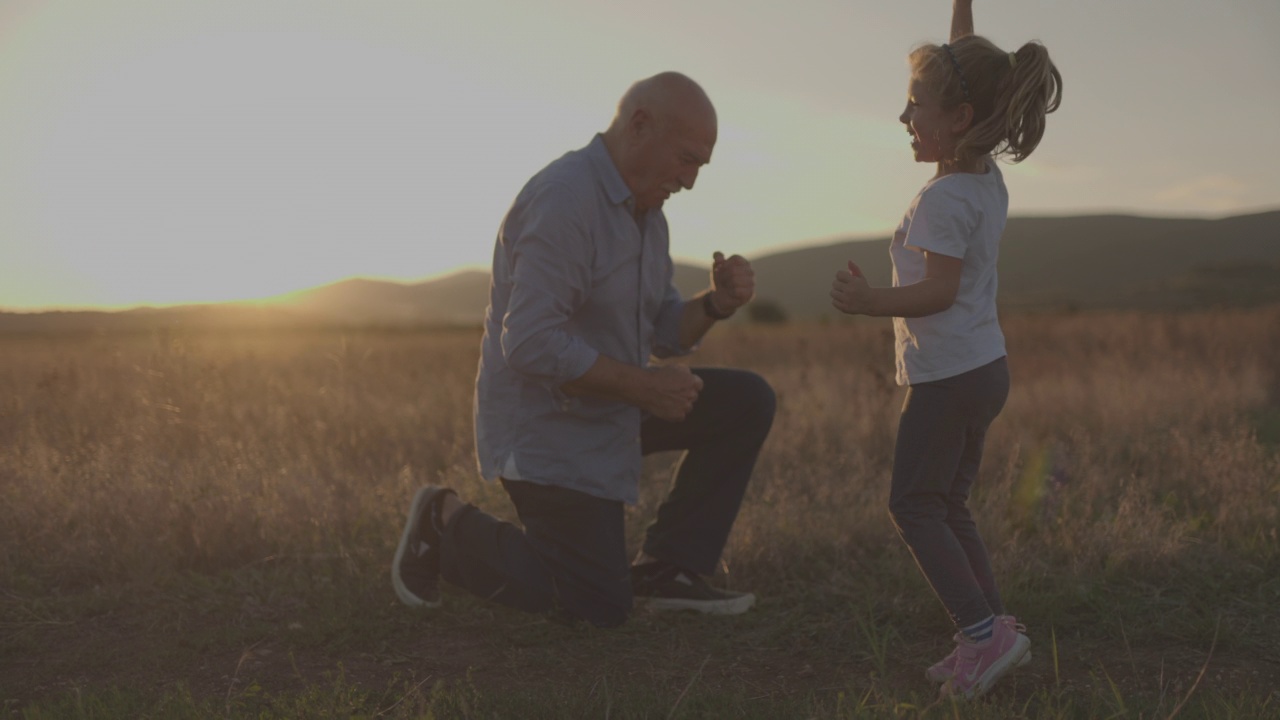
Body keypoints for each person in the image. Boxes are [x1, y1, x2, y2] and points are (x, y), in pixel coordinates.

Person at [392, 72, 776, 628]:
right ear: (640, 125)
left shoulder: (649, 216)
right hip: (550, 431)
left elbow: (663, 330)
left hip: (607, 412)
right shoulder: (565, 199)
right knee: (596, 606)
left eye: (700, 167)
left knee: (746, 400)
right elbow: (528, 342)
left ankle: (669, 568)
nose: (690, 180)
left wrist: (714, 303)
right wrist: (646, 387)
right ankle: (441, 523)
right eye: (686, 159)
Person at [829, 0, 1061, 700]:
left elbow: (938, 290)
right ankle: (996, 627)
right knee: (950, 502)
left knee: (914, 505)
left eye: (914, 105)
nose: (904, 118)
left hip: (949, 376)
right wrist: (960, 14)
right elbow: (967, 66)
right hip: (985, 369)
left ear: (959, 119)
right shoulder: (982, 177)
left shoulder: (941, 200)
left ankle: (981, 635)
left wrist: (872, 303)